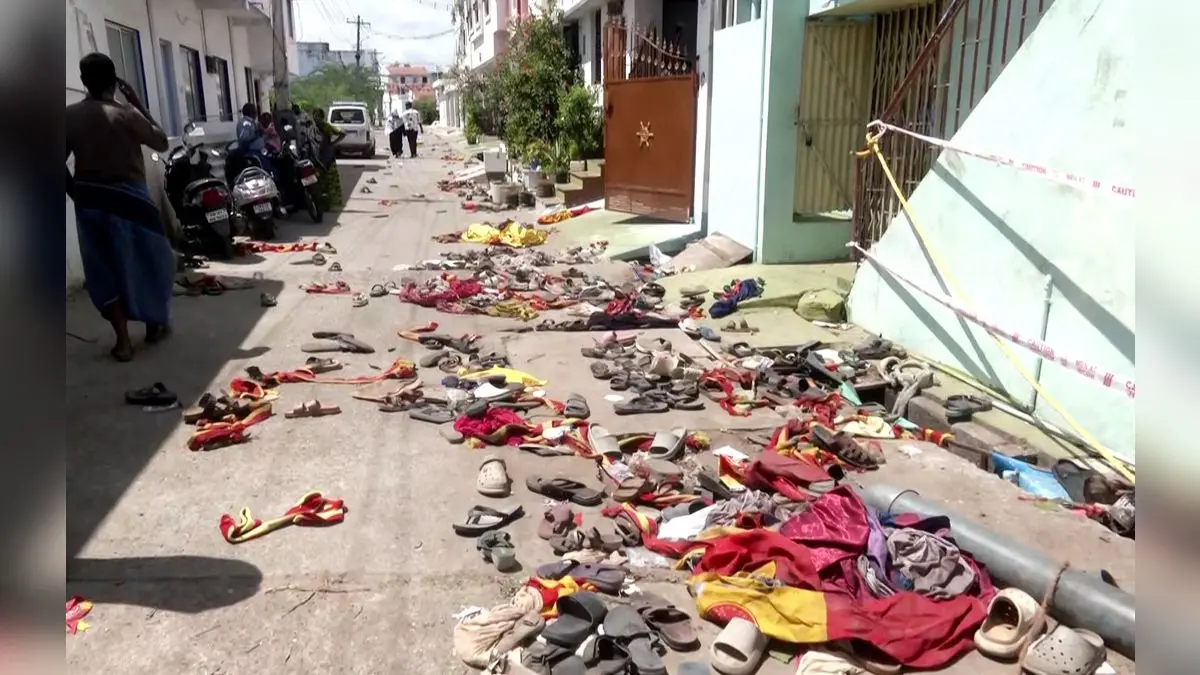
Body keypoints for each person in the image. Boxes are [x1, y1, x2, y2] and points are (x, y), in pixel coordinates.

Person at [65, 53, 172, 362]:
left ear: (84, 82)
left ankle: (123, 341)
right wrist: (137, 102)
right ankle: (154, 324)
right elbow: (162, 142)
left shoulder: (68, 116)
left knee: (103, 269)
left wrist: (75, 192)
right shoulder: (126, 115)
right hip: (132, 202)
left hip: (90, 202)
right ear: (115, 82)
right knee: (150, 262)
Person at [311, 108, 345, 211]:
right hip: (317, 157)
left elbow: (342, 133)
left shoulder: (326, 127)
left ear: (322, 117)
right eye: (314, 115)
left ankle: (333, 203)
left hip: (328, 157)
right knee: (320, 181)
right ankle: (322, 204)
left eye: (318, 116)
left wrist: (333, 144)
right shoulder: (312, 128)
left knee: (332, 180)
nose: (316, 118)